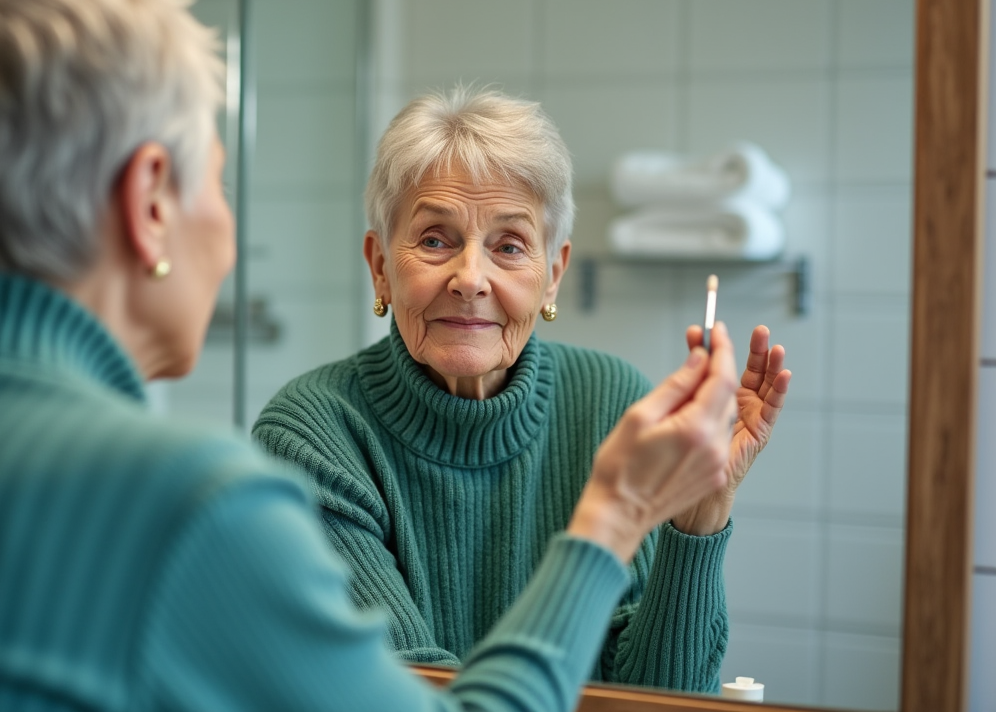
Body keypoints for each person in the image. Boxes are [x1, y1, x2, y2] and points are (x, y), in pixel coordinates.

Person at [0, 0, 738, 712]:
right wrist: (610, 515)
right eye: (216, 179)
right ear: (149, 205)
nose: (231, 232)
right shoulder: (186, 512)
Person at [253, 88, 792, 693]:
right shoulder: (309, 438)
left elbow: (661, 698)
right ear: (380, 265)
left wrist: (696, 519)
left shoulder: (610, 402)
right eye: (435, 239)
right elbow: (406, 700)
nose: (471, 279)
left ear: (553, 274)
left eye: (509, 246)